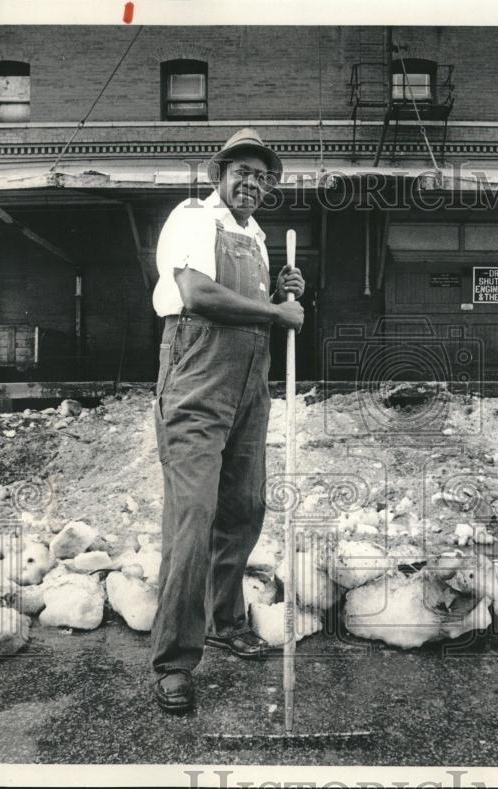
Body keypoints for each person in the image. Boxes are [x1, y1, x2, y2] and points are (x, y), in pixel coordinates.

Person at [149, 128, 305, 713]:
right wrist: (275, 310)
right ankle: (173, 662)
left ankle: (223, 619)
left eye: (264, 177)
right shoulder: (193, 216)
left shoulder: (259, 239)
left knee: (244, 507)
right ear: (219, 173)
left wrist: (283, 292)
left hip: (249, 383)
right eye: (243, 171)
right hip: (197, 376)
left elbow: (265, 313)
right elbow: (197, 293)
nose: (254, 183)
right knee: (193, 516)